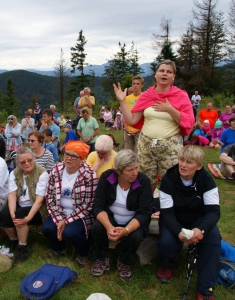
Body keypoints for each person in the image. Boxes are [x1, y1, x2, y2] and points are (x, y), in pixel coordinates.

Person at [114, 59, 194, 192]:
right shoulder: (147, 96)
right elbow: (132, 120)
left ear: (173, 76)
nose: (165, 74)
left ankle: (169, 210)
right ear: (156, 74)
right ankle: (147, 208)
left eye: (169, 72)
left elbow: (189, 121)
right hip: (146, 144)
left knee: (171, 180)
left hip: (170, 146)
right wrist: (122, 101)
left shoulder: (181, 96)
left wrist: (170, 109)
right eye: (161, 70)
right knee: (145, 180)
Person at [157, 146, 220, 300]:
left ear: (199, 166)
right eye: (181, 160)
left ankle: (205, 288)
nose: (183, 165)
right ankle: (166, 264)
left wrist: (202, 229)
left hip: (198, 218)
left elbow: (213, 211)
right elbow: (167, 212)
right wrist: (178, 231)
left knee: (213, 239)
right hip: (174, 217)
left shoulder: (206, 180)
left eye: (189, 162)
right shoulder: (168, 179)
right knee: (167, 241)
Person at [91, 150, 152, 281]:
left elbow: (144, 212)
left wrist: (126, 230)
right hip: (111, 217)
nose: (135, 173)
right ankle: (101, 257)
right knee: (97, 227)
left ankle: (124, 260)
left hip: (133, 219)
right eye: (130, 170)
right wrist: (108, 227)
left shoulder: (143, 181)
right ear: (118, 170)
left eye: (136, 168)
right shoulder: (107, 178)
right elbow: (98, 205)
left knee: (135, 235)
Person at [42, 141, 98, 266]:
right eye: (67, 154)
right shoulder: (56, 169)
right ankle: (59, 248)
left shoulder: (89, 174)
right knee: (48, 228)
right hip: (59, 211)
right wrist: (58, 219)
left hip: (80, 213)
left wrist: (66, 221)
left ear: (81, 159)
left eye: (74, 156)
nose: (69, 158)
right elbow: (50, 196)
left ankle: (85, 251)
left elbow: (88, 205)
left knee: (70, 232)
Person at [0, 147, 49, 264]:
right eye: (23, 162)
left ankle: (22, 248)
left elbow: (39, 200)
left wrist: (28, 218)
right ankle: (14, 240)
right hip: (21, 204)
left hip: (39, 209)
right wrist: (12, 212)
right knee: (5, 214)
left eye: (30, 160)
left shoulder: (42, 173)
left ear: (33, 159)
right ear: (18, 163)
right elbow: (11, 194)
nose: (27, 164)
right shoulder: (14, 173)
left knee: (20, 214)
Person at [123, 76, 144, 153]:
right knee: (127, 152)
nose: (135, 85)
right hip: (128, 129)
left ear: (142, 85)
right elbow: (125, 114)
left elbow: (146, 115)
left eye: (138, 84)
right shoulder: (127, 98)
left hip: (140, 130)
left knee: (139, 152)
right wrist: (126, 128)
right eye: (134, 83)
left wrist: (139, 129)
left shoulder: (144, 97)